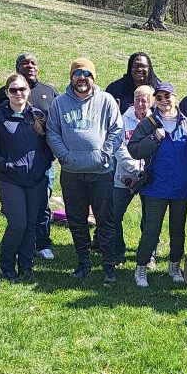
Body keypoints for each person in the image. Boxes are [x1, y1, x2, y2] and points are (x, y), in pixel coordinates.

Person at [46, 58, 124, 284]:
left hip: (101, 171)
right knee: (77, 219)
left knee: (105, 220)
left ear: (93, 78)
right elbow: (52, 132)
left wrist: (104, 155)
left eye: (87, 74)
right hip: (72, 172)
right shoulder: (59, 103)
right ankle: (83, 262)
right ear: (71, 77)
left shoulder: (106, 100)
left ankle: (108, 266)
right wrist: (65, 156)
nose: (82, 78)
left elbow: (116, 130)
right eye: (77, 73)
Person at [0, 53, 60, 260]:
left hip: (41, 165)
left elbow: (54, 129)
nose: (29, 66)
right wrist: (4, 163)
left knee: (41, 206)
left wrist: (48, 159)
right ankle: (12, 256)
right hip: (12, 168)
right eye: (24, 63)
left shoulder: (48, 91)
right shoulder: (2, 98)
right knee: (19, 218)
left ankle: (41, 244)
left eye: (33, 63)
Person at [127, 83, 187, 287]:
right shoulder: (150, 123)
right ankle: (141, 269)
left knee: (178, 230)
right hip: (156, 187)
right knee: (151, 229)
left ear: (176, 97)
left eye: (168, 96)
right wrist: (154, 138)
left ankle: (174, 267)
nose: (164, 101)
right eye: (160, 97)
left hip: (181, 188)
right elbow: (134, 150)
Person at [111, 85, 154, 264]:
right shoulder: (123, 120)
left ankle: (148, 254)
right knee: (114, 214)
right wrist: (135, 170)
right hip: (124, 176)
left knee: (150, 218)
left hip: (150, 178)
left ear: (151, 102)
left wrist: (145, 172)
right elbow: (118, 148)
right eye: (137, 99)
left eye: (145, 100)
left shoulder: (155, 121)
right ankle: (117, 252)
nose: (141, 103)